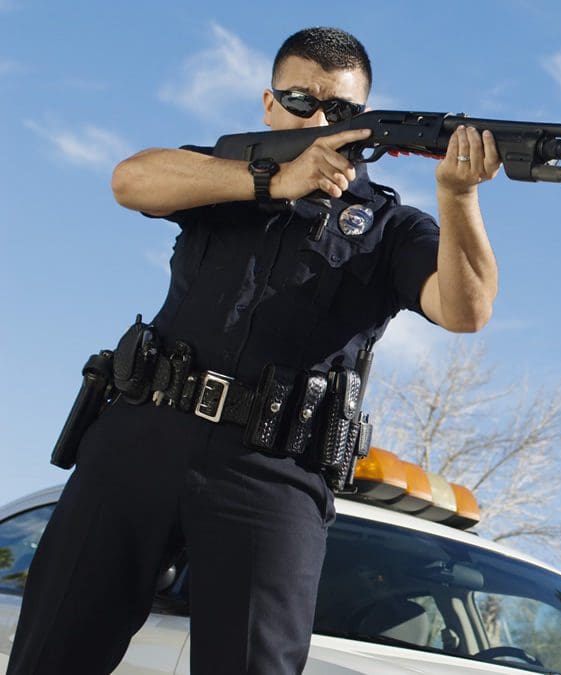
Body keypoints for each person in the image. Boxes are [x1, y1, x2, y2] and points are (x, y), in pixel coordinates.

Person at [8, 27, 500, 674]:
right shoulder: (223, 176)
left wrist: (459, 197)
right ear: (269, 104)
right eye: (301, 100)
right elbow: (130, 179)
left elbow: (465, 309)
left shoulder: (389, 227)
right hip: (138, 438)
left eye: (343, 111)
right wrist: (273, 181)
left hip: (273, 472)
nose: (320, 119)